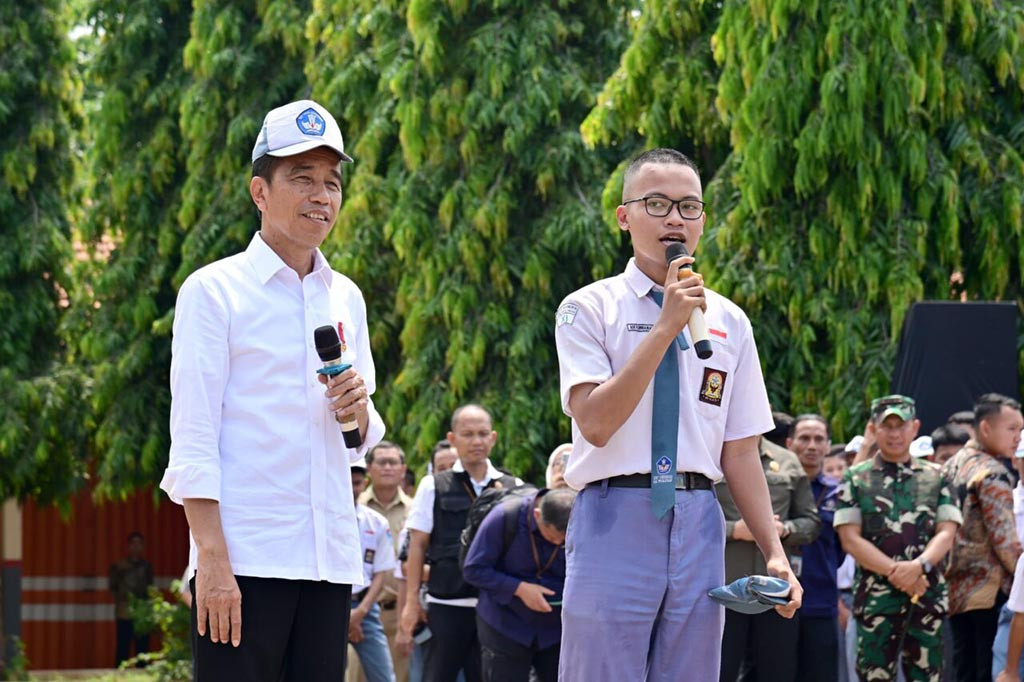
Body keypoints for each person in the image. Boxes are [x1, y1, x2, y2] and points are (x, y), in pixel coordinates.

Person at [553, 148, 801, 681]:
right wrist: (666, 325)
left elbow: (740, 453)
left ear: (703, 220)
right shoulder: (588, 308)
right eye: (658, 203)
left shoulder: (729, 320)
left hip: (699, 519)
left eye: (689, 207)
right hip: (613, 514)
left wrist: (773, 552)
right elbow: (594, 423)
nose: (675, 219)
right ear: (624, 217)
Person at [160, 99, 386, 681]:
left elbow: (357, 441)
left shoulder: (347, 298)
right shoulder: (214, 292)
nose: (322, 196)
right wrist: (210, 559)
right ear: (259, 192)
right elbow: (193, 436)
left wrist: (358, 409)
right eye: (302, 178)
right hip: (245, 561)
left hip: (327, 561)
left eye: (332, 182)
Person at [835, 394, 962, 682]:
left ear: (914, 427)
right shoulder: (855, 478)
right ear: (873, 428)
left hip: (926, 596)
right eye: (887, 426)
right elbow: (850, 539)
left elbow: (947, 532)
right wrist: (897, 572)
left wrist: (918, 567)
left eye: (901, 426)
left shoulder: (937, 476)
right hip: (876, 602)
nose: (894, 434)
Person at [400, 405, 518, 682]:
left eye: (482, 434)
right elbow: (417, 546)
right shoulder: (433, 485)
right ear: (452, 439)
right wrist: (411, 604)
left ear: (493, 438)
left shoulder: (513, 486)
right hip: (446, 603)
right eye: (468, 434)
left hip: (494, 605)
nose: (476, 441)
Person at [718, 437, 819, 682]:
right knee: (719, 671)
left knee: (777, 671)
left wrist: (783, 529)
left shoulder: (788, 461)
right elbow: (690, 517)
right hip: (723, 590)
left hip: (776, 591)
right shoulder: (709, 455)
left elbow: (811, 522)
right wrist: (733, 530)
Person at [943, 393, 1024, 682]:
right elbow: (1007, 545)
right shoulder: (992, 474)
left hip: (955, 590)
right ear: (986, 428)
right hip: (990, 593)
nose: (1018, 437)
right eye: (1012, 428)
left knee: (961, 669)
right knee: (987, 672)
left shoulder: (951, 465)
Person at [462, 487, 576, 682]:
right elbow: (474, 570)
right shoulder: (504, 517)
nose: (558, 543)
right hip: (506, 625)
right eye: (552, 537)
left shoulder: (580, 524)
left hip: (555, 631)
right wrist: (519, 589)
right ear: (538, 514)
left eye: (563, 541)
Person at [786, 414, 845, 682]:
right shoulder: (773, 488)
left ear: (827, 445)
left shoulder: (840, 493)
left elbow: (843, 548)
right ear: (789, 444)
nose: (811, 445)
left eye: (819, 439)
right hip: (776, 602)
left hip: (821, 601)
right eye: (804, 438)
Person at [351, 442, 414, 682]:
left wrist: (362, 611)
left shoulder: (414, 508)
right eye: (381, 462)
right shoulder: (346, 508)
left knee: (392, 676)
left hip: (395, 611)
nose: (387, 468)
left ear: (402, 469)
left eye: (393, 462)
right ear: (370, 470)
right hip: (346, 606)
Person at [110, 531, 154, 666]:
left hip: (141, 613)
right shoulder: (119, 567)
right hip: (124, 612)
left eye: (139, 544)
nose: (136, 547)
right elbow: (113, 587)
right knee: (123, 646)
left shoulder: (146, 567)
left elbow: (150, 589)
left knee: (142, 648)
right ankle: (119, 675)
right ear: (128, 546)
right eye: (133, 544)